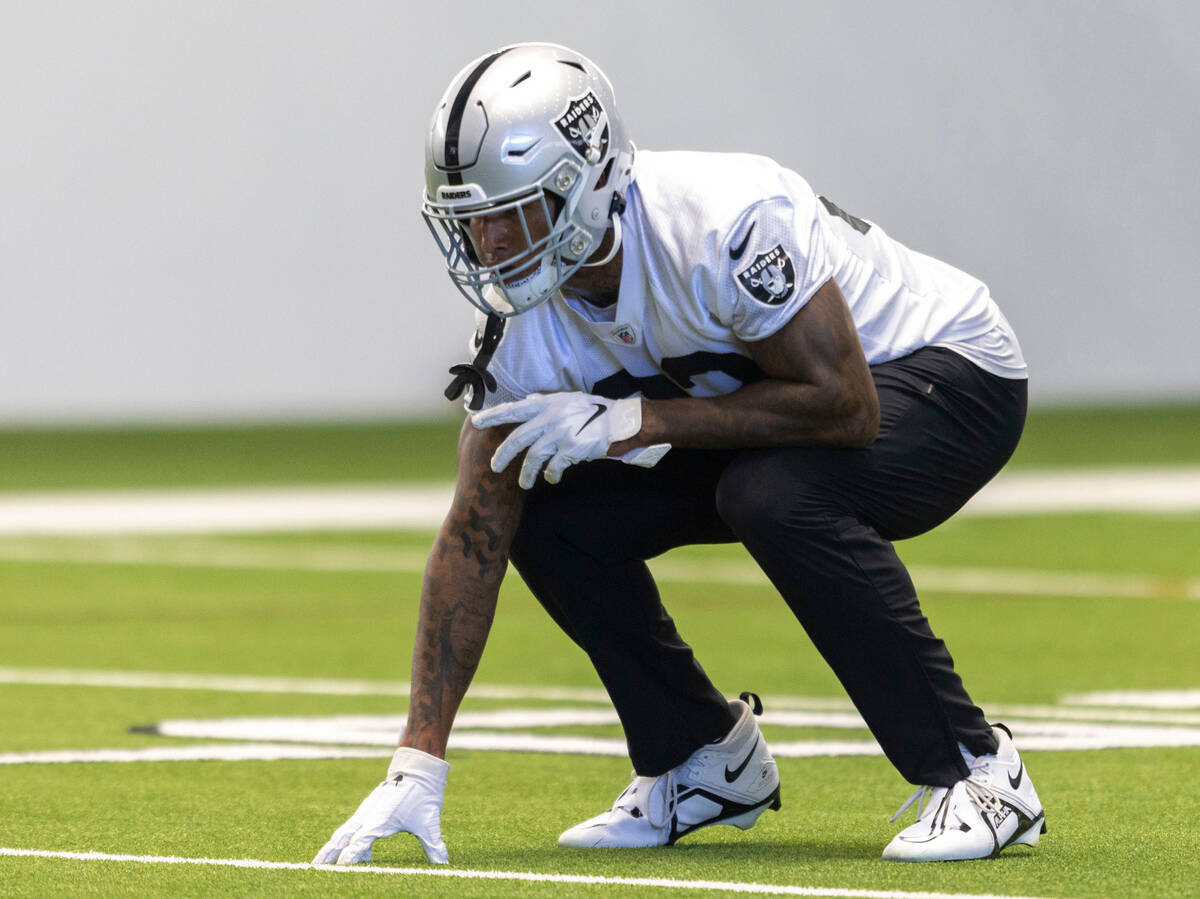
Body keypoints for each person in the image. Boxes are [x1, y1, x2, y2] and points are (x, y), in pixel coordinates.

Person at [314, 41, 1046, 867]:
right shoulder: (525, 324)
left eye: (511, 212)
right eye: (472, 219)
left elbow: (845, 407)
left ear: (587, 183)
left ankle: (978, 768)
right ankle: (701, 755)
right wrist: (418, 757)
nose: (488, 243)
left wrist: (639, 420)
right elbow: (475, 528)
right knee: (545, 514)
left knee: (773, 495)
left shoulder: (722, 220)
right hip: (784, 415)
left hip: (948, 377)